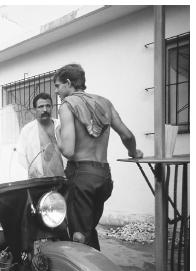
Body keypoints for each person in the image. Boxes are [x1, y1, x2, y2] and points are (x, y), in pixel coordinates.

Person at [54, 63, 143, 250]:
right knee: (88, 229)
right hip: (103, 177)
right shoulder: (105, 103)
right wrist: (134, 153)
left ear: (68, 83)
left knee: (78, 236)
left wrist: (57, 136)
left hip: (81, 177)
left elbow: (68, 151)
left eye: (58, 86)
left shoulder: (67, 106)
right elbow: (127, 135)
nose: (57, 91)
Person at [16, 92, 65, 178]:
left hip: (64, 178)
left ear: (52, 107)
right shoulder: (27, 130)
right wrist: (32, 172)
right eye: (41, 107)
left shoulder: (61, 126)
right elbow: (21, 156)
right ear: (34, 110)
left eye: (48, 106)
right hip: (39, 181)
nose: (45, 110)